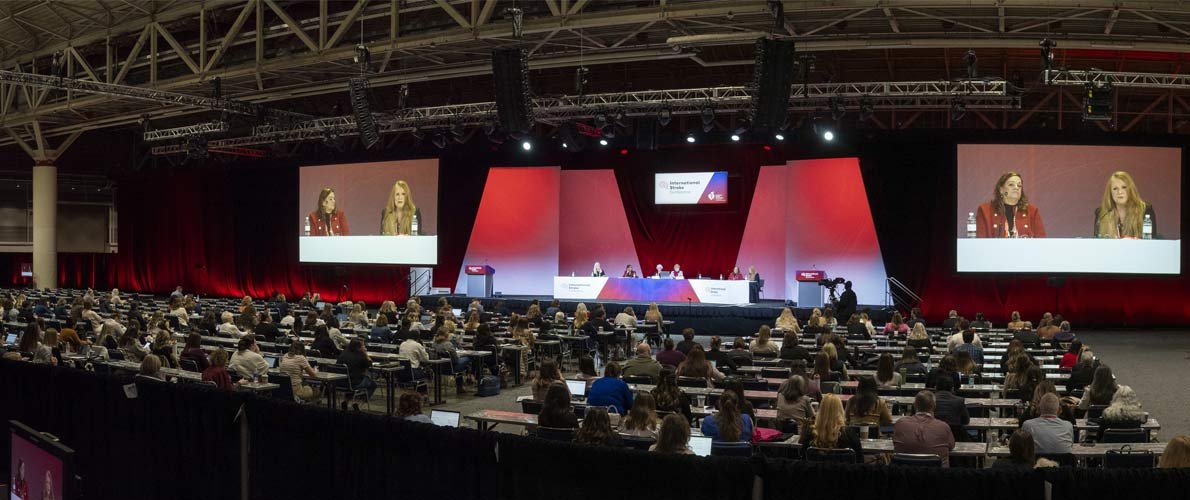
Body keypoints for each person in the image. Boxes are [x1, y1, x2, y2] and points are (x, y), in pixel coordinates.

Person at [975, 171, 1046, 238]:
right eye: (1011, 184)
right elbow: (980, 242)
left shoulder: (1032, 211)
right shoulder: (985, 210)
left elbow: (1042, 241)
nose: (1016, 188)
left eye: (1019, 185)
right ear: (1001, 190)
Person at [893, 391, 956, 466]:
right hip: (936, 472)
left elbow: (895, 443)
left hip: (903, 471)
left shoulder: (900, 424)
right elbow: (951, 446)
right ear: (934, 406)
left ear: (914, 405)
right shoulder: (944, 427)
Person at [1094, 171, 1155, 238]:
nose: (1120, 192)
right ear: (1110, 193)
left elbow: (1153, 241)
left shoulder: (1145, 210)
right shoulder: (1102, 213)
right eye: (1115, 189)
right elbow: (1096, 242)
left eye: (1124, 187)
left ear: (1131, 189)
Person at [801, 394, 862, 460]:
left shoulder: (810, 434)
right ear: (840, 410)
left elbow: (803, 459)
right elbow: (859, 460)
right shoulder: (849, 434)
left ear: (820, 410)